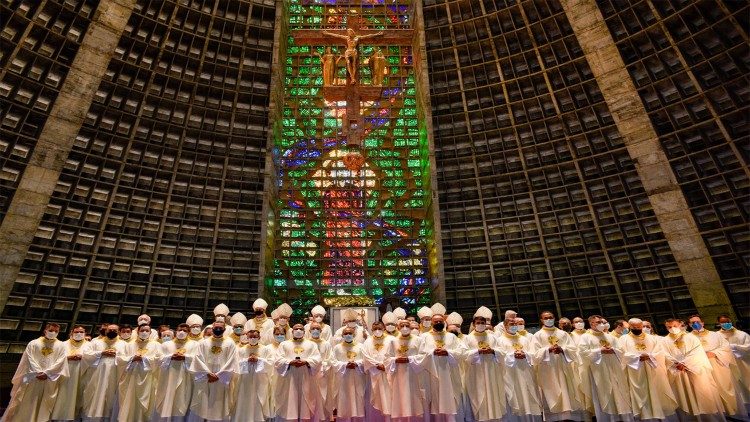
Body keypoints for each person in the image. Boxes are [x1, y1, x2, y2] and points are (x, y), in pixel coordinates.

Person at [3, 323, 68, 422]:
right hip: (32, 378)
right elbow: (29, 359)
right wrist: (38, 372)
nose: (53, 333)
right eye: (51, 330)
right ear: (45, 330)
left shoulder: (61, 346)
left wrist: (47, 373)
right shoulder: (33, 343)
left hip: (49, 379)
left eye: (56, 331)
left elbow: (61, 361)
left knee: (44, 403)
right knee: (26, 400)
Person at [661, 318, 725, 420]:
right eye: (669, 327)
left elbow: (697, 352)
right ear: (666, 327)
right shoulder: (664, 341)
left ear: (680, 325)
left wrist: (685, 363)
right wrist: (676, 363)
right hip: (677, 373)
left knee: (703, 396)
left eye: (675, 326)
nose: (672, 328)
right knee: (684, 398)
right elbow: (664, 354)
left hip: (694, 371)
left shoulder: (691, 337)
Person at [619, 318, 677, 421]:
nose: (636, 328)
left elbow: (660, 352)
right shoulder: (623, 339)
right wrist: (636, 357)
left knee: (657, 391)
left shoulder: (652, 338)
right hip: (636, 372)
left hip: (653, 370)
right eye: (634, 327)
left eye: (638, 327)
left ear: (641, 326)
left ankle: (661, 415)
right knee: (641, 394)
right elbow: (621, 354)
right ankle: (645, 417)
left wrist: (650, 356)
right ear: (630, 327)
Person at [530, 311, 584, 421]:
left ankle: (569, 418)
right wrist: (547, 350)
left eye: (550, 317)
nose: (548, 319)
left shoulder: (563, 334)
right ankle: (553, 418)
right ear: (541, 320)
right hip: (547, 371)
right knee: (551, 394)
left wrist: (562, 349)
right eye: (546, 318)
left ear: (555, 318)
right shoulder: (537, 335)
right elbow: (534, 355)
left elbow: (573, 350)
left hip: (564, 368)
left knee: (566, 393)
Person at [577, 315, 633, 421]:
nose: (601, 324)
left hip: (613, 369)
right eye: (598, 322)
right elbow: (582, 353)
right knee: (603, 394)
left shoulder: (610, 337)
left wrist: (613, 350)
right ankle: (605, 418)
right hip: (597, 371)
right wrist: (599, 351)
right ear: (591, 324)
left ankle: (620, 416)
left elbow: (621, 350)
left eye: (602, 322)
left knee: (618, 392)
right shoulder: (585, 337)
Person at [688, 314, 744, 418]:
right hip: (701, 367)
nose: (696, 324)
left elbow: (725, 347)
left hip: (718, 363)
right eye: (693, 323)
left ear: (703, 322)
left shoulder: (715, 335)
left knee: (724, 387)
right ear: (689, 325)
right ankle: (717, 415)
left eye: (698, 321)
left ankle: (731, 412)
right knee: (708, 390)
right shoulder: (688, 338)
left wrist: (715, 353)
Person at [463, 307, 508, 422]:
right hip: (475, 374)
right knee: (479, 396)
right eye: (478, 323)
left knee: (493, 395)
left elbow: (503, 352)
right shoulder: (468, 338)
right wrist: (477, 351)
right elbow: (463, 355)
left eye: (483, 323)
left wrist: (493, 351)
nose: (481, 324)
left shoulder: (492, 337)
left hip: (492, 372)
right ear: (473, 324)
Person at [189, 320, 238, 422]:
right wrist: (207, 374)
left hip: (221, 380)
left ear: (224, 329)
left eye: (220, 328)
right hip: (206, 378)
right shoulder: (204, 343)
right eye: (216, 328)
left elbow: (232, 361)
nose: (218, 330)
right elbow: (198, 359)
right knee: (203, 403)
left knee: (219, 405)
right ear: (212, 328)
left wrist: (219, 376)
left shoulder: (230, 343)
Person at [274, 323, 324, 422]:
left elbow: (318, 359)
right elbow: (278, 360)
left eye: (300, 329)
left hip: (306, 377)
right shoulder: (284, 344)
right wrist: (290, 362)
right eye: (296, 329)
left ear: (304, 332)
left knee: (306, 400)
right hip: (289, 377)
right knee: (290, 398)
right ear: (292, 332)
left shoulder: (311, 344)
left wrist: (306, 362)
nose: (298, 331)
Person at [421, 312, 466, 421]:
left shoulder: (451, 337)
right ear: (431, 323)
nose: (438, 323)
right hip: (432, 374)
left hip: (449, 374)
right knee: (434, 398)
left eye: (440, 321)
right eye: (435, 321)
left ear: (444, 322)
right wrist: (432, 352)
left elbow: (462, 351)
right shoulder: (424, 337)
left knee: (449, 398)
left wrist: (448, 352)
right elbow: (420, 353)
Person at [496, 317, 542, 422]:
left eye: (515, 324)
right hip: (511, 374)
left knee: (529, 395)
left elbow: (533, 355)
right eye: (511, 324)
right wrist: (513, 355)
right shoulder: (500, 340)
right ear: (505, 326)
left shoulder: (524, 339)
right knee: (514, 397)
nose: (514, 326)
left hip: (526, 371)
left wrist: (525, 354)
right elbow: (499, 356)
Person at [81, 323, 128, 422]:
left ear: (119, 332)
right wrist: (101, 353)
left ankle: (108, 418)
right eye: (110, 330)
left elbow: (127, 358)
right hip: (97, 373)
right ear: (106, 331)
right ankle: (93, 418)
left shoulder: (124, 344)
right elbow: (86, 354)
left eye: (114, 330)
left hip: (115, 373)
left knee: (111, 393)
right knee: (95, 392)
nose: (112, 332)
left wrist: (117, 354)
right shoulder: (95, 342)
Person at [153, 323, 198, 421]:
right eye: (179, 330)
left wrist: (185, 357)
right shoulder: (166, 344)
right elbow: (157, 358)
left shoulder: (194, 344)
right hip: (168, 377)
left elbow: (197, 359)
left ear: (189, 332)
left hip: (185, 377)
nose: (182, 332)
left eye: (185, 331)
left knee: (182, 399)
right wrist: (170, 357)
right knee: (167, 398)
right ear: (175, 331)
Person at [117, 324, 161, 422]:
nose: (144, 332)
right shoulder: (129, 345)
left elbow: (159, 359)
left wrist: (144, 359)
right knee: (130, 401)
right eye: (142, 330)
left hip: (148, 378)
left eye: (146, 331)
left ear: (150, 332)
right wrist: (132, 358)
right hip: (131, 377)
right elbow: (119, 358)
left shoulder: (156, 345)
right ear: (137, 332)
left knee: (148, 402)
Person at [384, 319, 426, 421]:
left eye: (407, 326)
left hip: (413, 374)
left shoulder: (418, 340)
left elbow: (424, 356)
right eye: (402, 326)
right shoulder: (393, 341)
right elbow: (387, 358)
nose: (405, 328)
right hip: (398, 375)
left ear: (411, 328)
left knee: (414, 398)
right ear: (398, 328)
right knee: (400, 398)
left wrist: (409, 359)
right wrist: (396, 360)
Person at [231, 328, 272, 422]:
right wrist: (247, 361)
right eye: (251, 337)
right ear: (247, 337)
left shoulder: (265, 349)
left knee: (258, 400)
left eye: (255, 337)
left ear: (259, 337)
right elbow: (235, 364)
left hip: (260, 380)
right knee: (244, 399)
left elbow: (271, 363)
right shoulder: (241, 350)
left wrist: (259, 360)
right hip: (244, 380)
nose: (253, 338)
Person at [51, 324, 89, 422]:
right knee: (62, 395)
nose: (79, 334)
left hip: (81, 374)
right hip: (64, 374)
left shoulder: (89, 345)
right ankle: (58, 417)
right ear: (71, 333)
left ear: (85, 334)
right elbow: (54, 358)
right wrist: (67, 358)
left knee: (78, 395)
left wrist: (83, 357)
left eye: (81, 332)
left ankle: (75, 418)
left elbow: (93, 359)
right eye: (76, 332)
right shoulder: (62, 344)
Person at [330, 326, 367, 421]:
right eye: (346, 334)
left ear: (354, 335)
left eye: (350, 333)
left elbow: (365, 360)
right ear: (342, 335)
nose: (348, 335)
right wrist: (345, 365)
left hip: (357, 377)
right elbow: (333, 362)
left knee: (358, 398)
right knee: (344, 399)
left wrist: (357, 364)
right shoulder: (337, 348)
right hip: (343, 378)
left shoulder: (360, 346)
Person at [361, 320, 394, 421]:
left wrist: (386, 366)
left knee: (388, 397)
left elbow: (395, 355)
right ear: (371, 330)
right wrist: (376, 365)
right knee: (373, 397)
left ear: (384, 328)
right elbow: (365, 357)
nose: (377, 330)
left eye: (379, 328)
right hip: (373, 375)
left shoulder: (391, 339)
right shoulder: (367, 342)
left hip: (388, 374)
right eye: (375, 329)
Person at [718, 315, 750, 413]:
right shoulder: (717, 336)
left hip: (743, 363)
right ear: (719, 323)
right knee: (736, 386)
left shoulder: (742, 334)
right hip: (728, 365)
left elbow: (748, 347)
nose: (726, 323)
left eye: (727, 321)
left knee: (747, 381)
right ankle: (743, 408)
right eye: (723, 322)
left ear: (731, 321)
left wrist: (735, 347)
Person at [307, 321, 333, 420]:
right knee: (310, 397)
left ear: (321, 331)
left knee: (323, 398)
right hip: (309, 375)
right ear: (309, 330)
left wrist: (321, 367)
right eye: (313, 328)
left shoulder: (326, 344)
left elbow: (330, 359)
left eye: (317, 329)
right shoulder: (306, 343)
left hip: (322, 375)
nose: (315, 330)